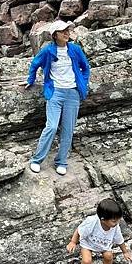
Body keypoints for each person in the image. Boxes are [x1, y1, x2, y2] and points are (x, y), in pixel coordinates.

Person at [25, 19, 90, 175]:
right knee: (52, 126)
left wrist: (83, 83)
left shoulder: (75, 49)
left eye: (68, 30)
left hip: (72, 93)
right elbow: (35, 64)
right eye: (63, 31)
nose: (67, 33)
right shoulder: (48, 51)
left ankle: (61, 161)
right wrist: (30, 80)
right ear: (55, 35)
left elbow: (85, 67)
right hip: (55, 92)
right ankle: (36, 160)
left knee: (68, 130)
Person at [67, 198, 132, 264]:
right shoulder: (91, 222)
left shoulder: (115, 227)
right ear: (102, 219)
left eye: (118, 220)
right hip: (88, 243)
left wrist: (125, 252)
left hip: (103, 245)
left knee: (109, 256)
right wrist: (73, 242)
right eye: (114, 221)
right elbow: (79, 230)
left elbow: (119, 240)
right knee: (86, 261)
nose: (117, 223)